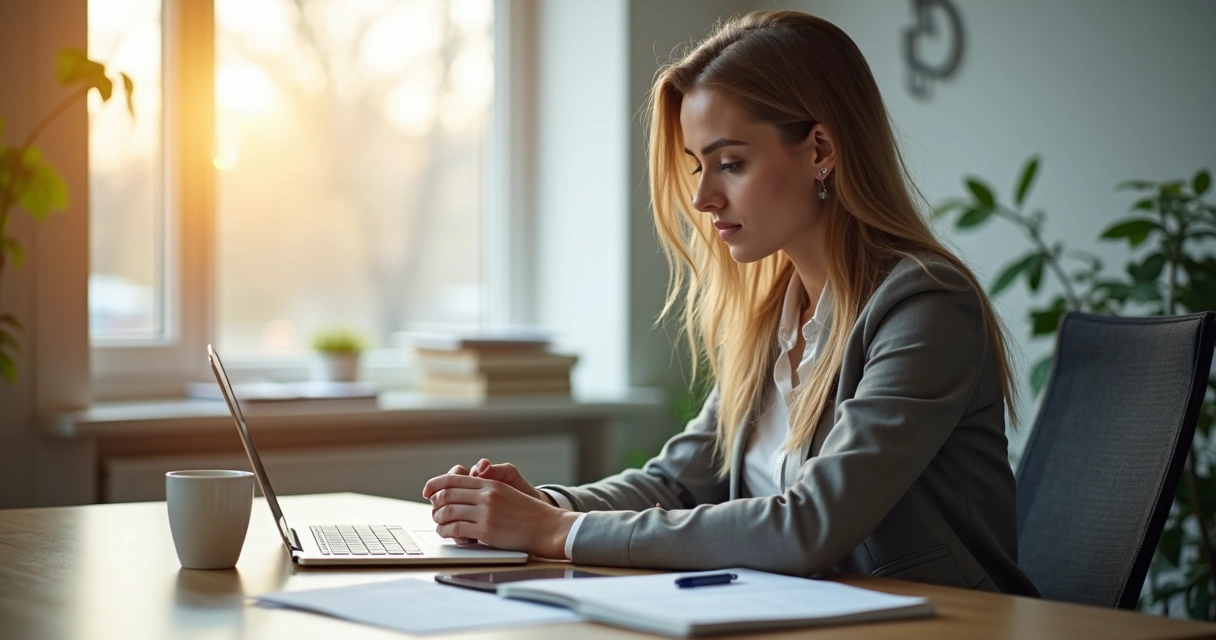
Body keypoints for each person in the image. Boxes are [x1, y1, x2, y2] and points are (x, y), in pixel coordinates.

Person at [422, 9, 1039, 596]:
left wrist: (556, 535)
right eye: (698, 167)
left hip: (937, 622)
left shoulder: (927, 307)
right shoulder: (775, 315)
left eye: (731, 164)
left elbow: (810, 525)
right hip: (803, 615)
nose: (703, 198)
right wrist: (547, 506)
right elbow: (679, 481)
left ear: (821, 151)